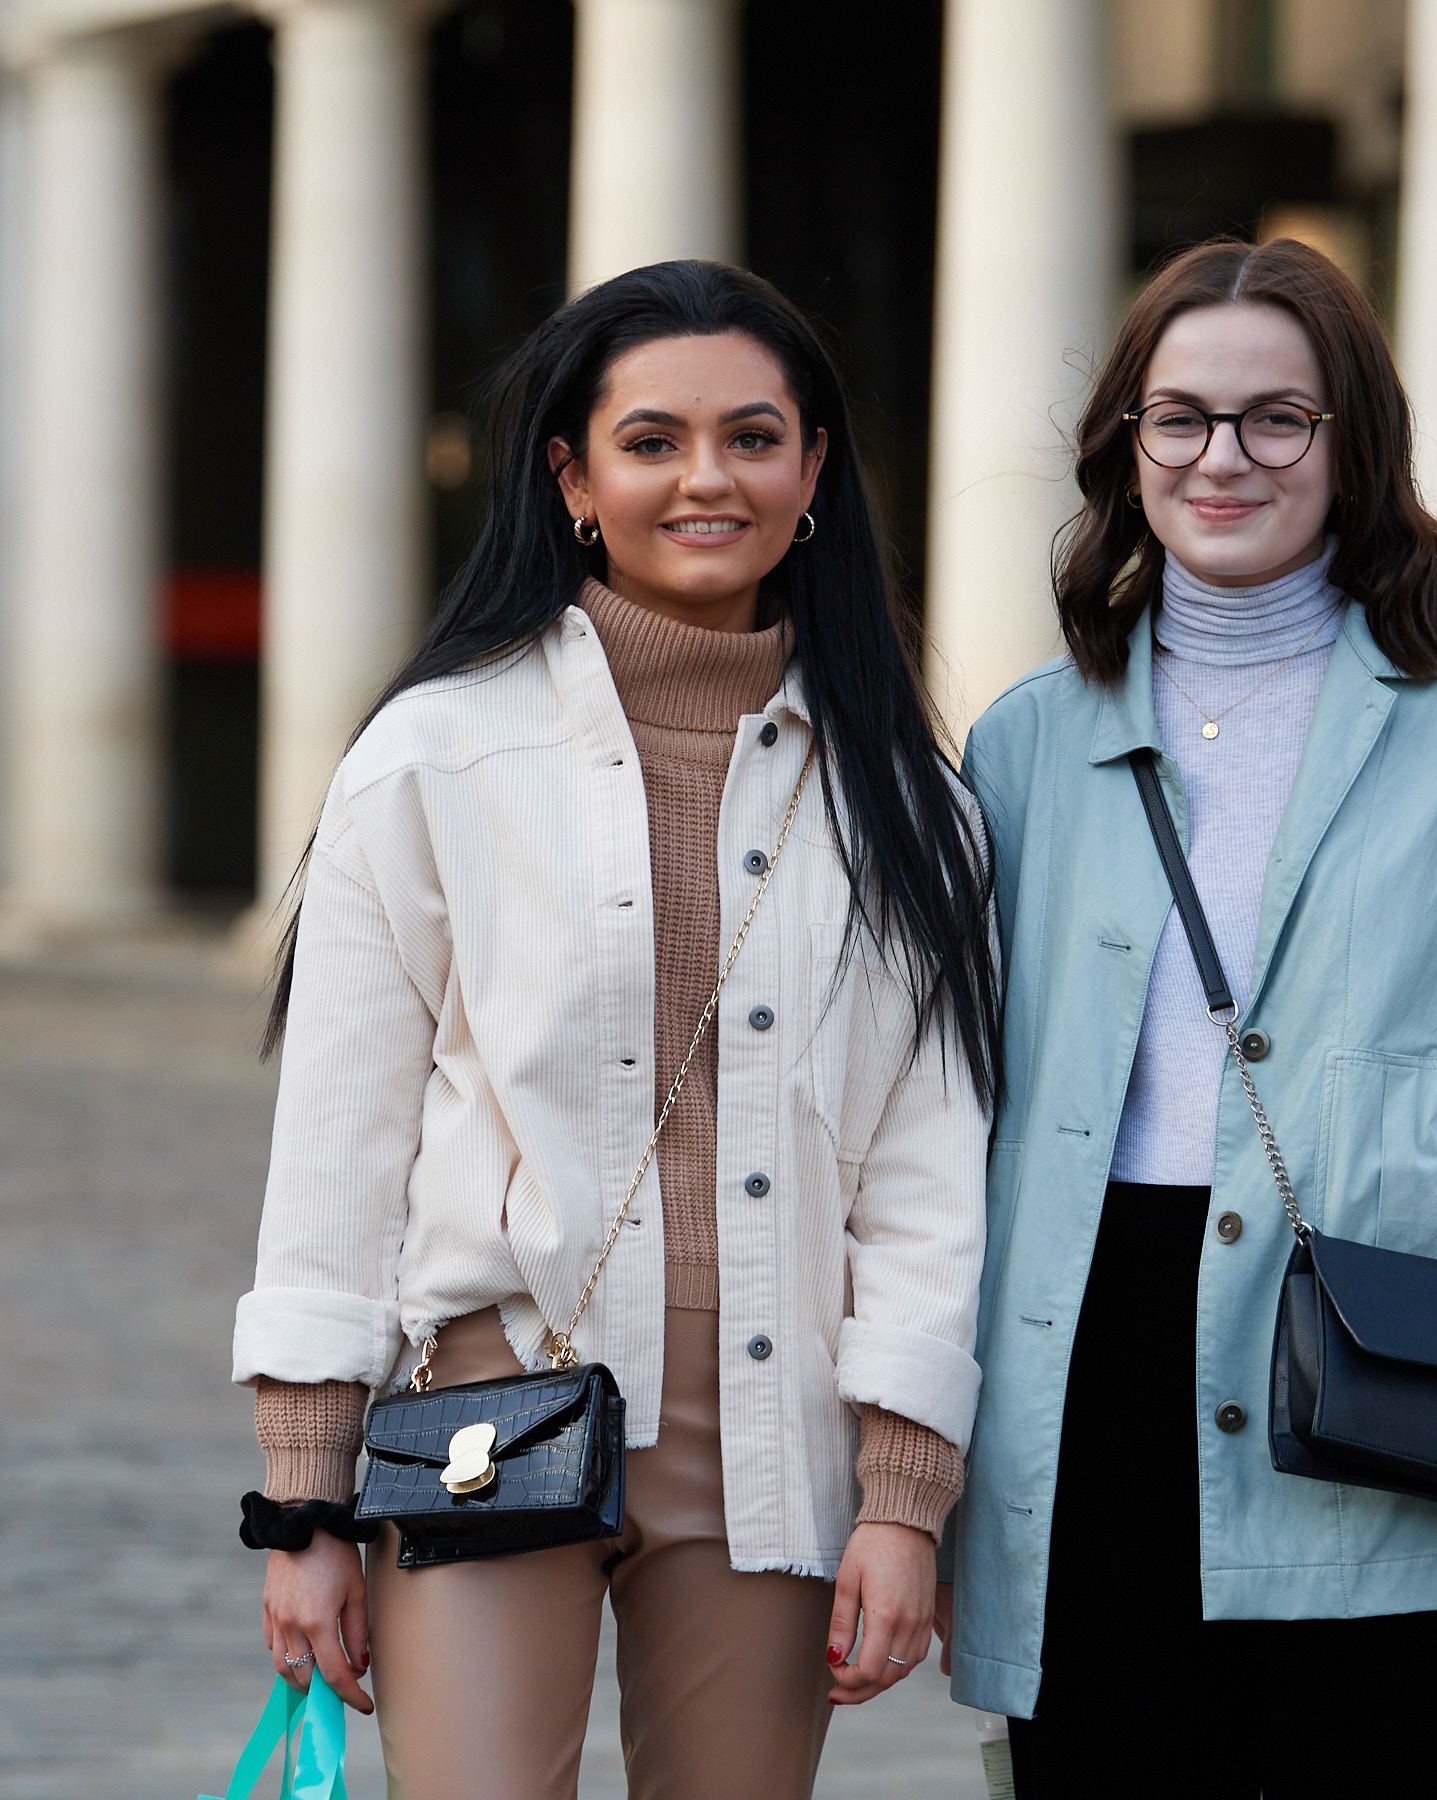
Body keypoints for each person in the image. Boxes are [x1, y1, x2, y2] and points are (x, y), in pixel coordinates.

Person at [947, 238, 1437, 1799]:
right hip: (1086, 1392)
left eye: (1275, 419)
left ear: (1353, 443)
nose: (1223, 457)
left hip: (1402, 1389)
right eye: (1181, 418)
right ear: (1126, 446)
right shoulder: (1025, 746)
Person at [233, 261, 999, 1800]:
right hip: (492, 1402)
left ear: (817, 472)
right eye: (652, 442)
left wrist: (905, 1496)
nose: (706, 478)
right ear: (575, 481)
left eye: (753, 437)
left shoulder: (914, 805)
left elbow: (929, 1177)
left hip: (774, 1437)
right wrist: (305, 1507)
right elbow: (339, 1141)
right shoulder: (435, 756)